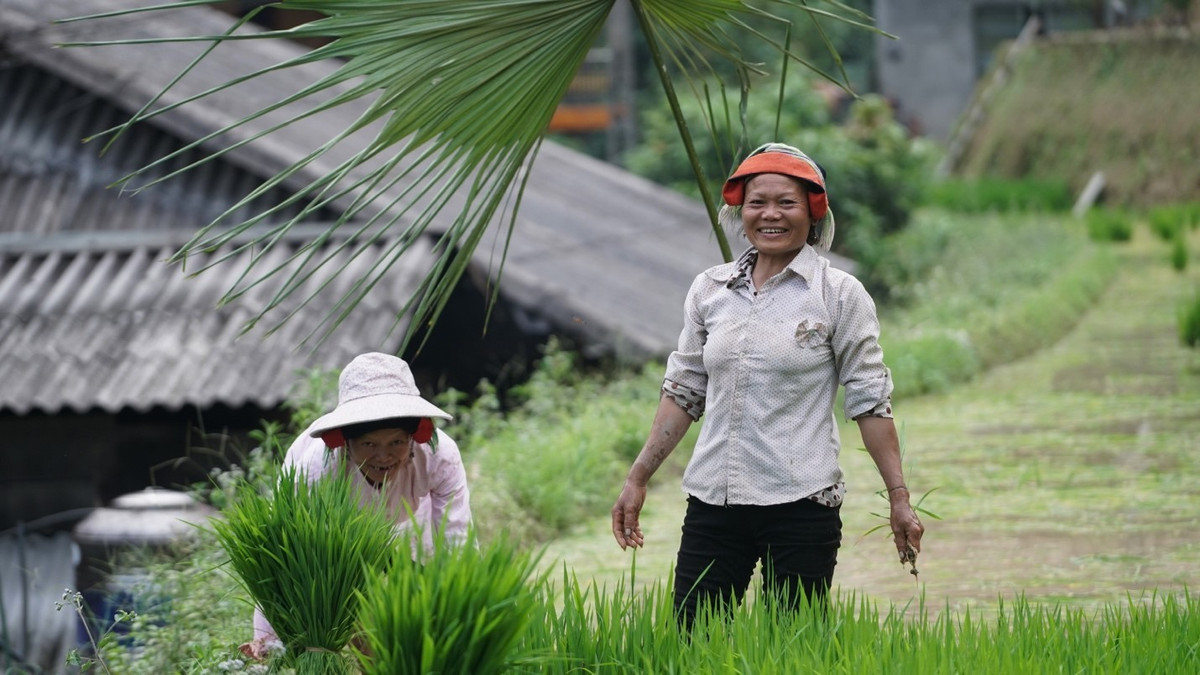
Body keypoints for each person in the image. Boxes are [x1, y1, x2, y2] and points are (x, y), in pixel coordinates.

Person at [610, 142, 923, 628]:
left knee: (791, 645)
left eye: (786, 203)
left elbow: (870, 402)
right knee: (693, 639)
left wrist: (899, 498)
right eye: (757, 203)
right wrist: (638, 477)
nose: (770, 215)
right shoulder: (710, 289)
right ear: (741, 212)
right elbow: (684, 391)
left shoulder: (838, 294)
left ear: (812, 213)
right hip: (715, 500)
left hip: (801, 502)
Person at [239, 352, 471, 659]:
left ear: (416, 437)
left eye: (397, 443)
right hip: (335, 543)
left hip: (410, 522)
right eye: (369, 445)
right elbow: (284, 557)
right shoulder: (315, 473)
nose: (384, 456)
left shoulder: (440, 456)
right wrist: (267, 639)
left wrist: (463, 609)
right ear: (344, 442)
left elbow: (455, 537)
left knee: (418, 623)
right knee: (358, 626)